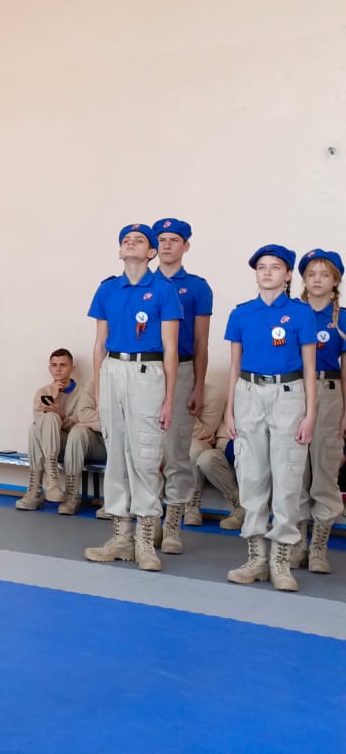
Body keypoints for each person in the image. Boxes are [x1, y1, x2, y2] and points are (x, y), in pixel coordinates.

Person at [84, 223, 182, 572]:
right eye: (125, 239)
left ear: (151, 252)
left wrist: (169, 398)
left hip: (147, 373)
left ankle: (145, 536)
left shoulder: (163, 291)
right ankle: (121, 534)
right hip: (114, 371)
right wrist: (98, 391)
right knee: (117, 457)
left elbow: (171, 349)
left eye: (139, 240)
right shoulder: (108, 289)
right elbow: (98, 344)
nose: (130, 243)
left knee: (144, 455)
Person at [224, 245, 316, 591]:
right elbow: (234, 366)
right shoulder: (242, 314)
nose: (266, 273)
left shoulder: (300, 313)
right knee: (252, 476)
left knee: (288, 478)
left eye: (275, 267)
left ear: (288, 274)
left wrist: (310, 414)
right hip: (249, 392)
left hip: (288, 396)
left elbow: (310, 368)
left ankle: (281, 559)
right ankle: (256, 557)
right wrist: (229, 410)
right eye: (261, 267)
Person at [152, 218, 213, 554]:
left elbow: (202, 342)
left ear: (186, 245)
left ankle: (172, 523)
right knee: (147, 452)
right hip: (148, 370)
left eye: (174, 239)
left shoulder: (197, 287)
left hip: (184, 368)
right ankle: (147, 521)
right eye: (161, 239)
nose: (166, 245)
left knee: (176, 451)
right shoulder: (141, 283)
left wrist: (199, 386)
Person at [296, 249, 346, 575]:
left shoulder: (341, 320)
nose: (317, 279)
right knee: (296, 469)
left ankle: (319, 547)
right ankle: (297, 541)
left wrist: (345, 413)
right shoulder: (291, 314)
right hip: (294, 393)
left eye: (324, 274)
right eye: (311, 273)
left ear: (335, 281)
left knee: (324, 470)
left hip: (328, 394)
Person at [16, 347, 103, 514]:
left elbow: (80, 423)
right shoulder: (43, 392)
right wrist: (55, 397)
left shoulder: (82, 392)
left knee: (57, 421)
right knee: (36, 427)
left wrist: (61, 415)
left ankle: (69, 494)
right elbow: (41, 423)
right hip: (51, 447)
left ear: (72, 368)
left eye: (63, 365)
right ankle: (37, 490)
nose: (58, 369)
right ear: (49, 368)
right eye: (54, 365)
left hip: (74, 445)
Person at [186, 375, 245, 530]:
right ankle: (239, 504)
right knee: (206, 458)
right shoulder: (237, 396)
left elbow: (206, 433)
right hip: (228, 451)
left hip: (252, 456)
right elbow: (221, 440)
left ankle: (249, 510)